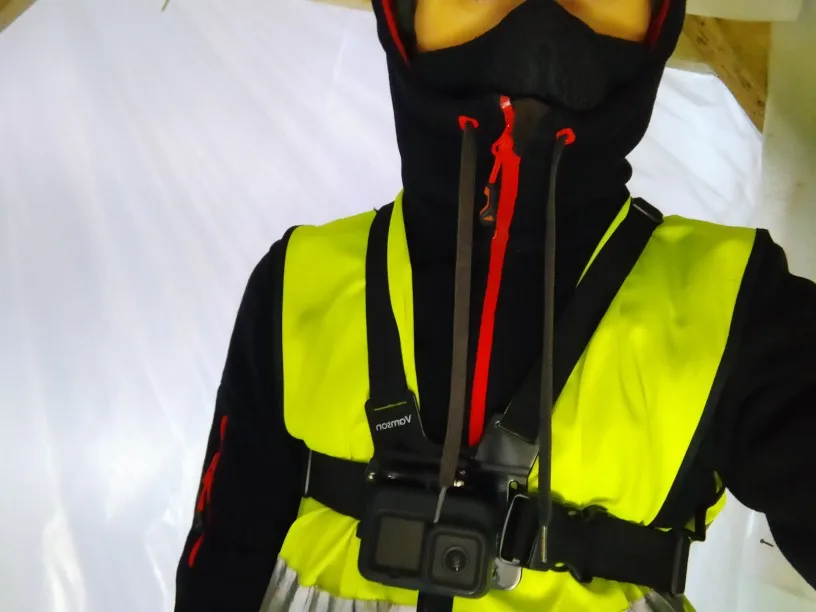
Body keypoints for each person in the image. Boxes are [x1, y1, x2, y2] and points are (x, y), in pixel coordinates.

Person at [174, 0, 816, 610]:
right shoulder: (297, 281)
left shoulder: (741, 308)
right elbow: (222, 560)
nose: (538, 18)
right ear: (402, 16)